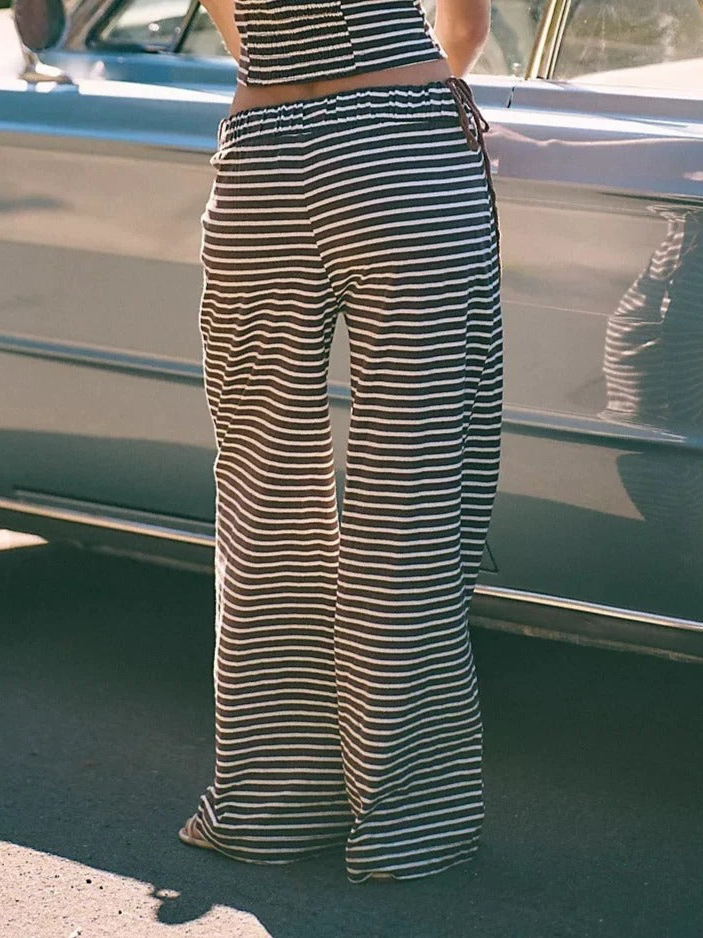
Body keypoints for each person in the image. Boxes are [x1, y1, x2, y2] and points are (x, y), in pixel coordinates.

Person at [178, 0, 503, 883]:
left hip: (262, 163)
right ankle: (406, 821)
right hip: (403, 153)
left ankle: (272, 808)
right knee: (410, 486)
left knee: (264, 491)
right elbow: (466, 25)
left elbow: (238, 29)